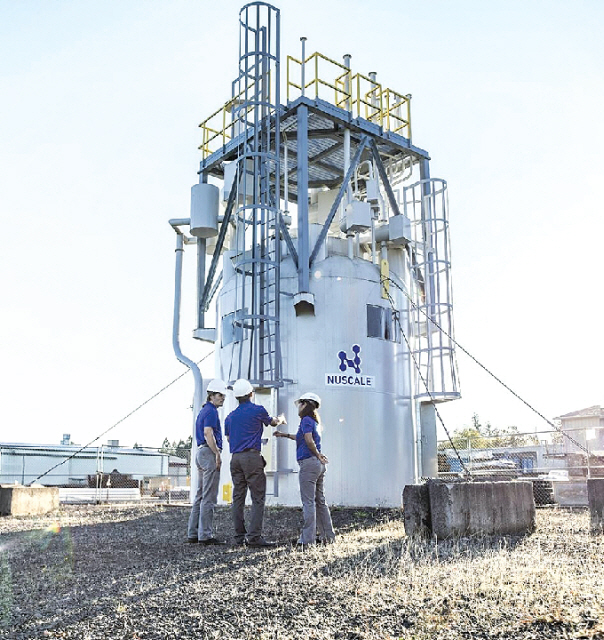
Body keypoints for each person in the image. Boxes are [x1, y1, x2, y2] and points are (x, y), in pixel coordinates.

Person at [225, 378, 286, 547]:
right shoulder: (257, 410)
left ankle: (239, 537)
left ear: (237, 397)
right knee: (258, 498)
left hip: (235, 458)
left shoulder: (229, 417)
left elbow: (229, 438)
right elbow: (272, 422)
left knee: (238, 497)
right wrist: (281, 419)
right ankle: (254, 537)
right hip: (252, 457)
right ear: (251, 394)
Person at [274, 392, 335, 548]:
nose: (298, 406)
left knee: (308, 502)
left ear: (306, 404)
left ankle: (307, 540)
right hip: (318, 465)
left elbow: (308, 440)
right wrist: (284, 435)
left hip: (309, 464)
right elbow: (302, 437)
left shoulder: (306, 420)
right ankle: (328, 536)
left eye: (300, 403)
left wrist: (317, 455)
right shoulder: (313, 422)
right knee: (320, 501)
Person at [186, 378, 228, 545]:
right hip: (208, 452)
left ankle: (193, 533)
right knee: (209, 496)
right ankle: (205, 535)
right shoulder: (211, 412)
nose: (223, 398)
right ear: (212, 396)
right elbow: (208, 432)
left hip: (200, 452)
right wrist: (217, 453)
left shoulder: (203, 411)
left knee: (200, 495)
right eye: (220, 395)